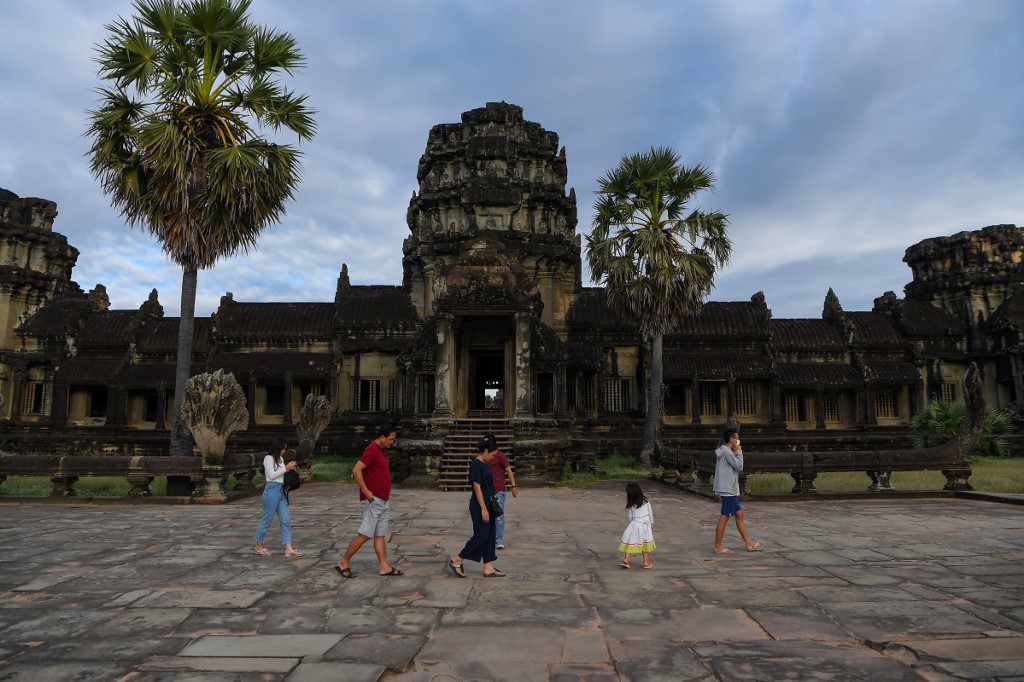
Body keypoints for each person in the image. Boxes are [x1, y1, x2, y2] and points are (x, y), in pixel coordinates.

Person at [335, 424, 403, 578]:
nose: (392, 442)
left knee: (380, 535)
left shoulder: (381, 450)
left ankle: (384, 566)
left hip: (382, 500)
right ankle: (344, 561)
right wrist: (366, 491)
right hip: (373, 500)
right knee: (365, 534)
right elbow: (356, 469)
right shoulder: (372, 449)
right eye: (390, 439)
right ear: (382, 437)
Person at [449, 438, 506, 578]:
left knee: (490, 534)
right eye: (492, 454)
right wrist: (483, 509)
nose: (493, 458)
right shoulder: (476, 464)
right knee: (481, 535)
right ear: (486, 451)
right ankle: (457, 560)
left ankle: (488, 566)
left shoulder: (484, 464)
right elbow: (477, 487)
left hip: (488, 503)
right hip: (480, 505)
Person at [713, 429, 764, 554]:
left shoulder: (726, 451)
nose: (738, 440)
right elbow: (740, 466)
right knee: (724, 517)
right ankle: (717, 546)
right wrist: (739, 451)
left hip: (729, 489)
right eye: (737, 438)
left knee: (739, 514)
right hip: (728, 490)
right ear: (732, 439)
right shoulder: (727, 452)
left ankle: (749, 543)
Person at [254, 437, 303, 557]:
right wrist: (285, 468)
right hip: (271, 490)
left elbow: (281, 475)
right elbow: (272, 475)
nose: (284, 451)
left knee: (286, 520)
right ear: (278, 447)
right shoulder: (268, 458)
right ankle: (259, 546)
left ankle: (288, 548)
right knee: (267, 520)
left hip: (281, 491)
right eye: (283, 449)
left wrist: (289, 468)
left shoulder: (280, 459)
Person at [484, 433, 517, 549]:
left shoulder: (500, 456)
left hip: (498, 489)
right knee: (486, 515)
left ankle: (499, 539)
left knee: (499, 515)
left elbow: (509, 470)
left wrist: (513, 485)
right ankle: (488, 538)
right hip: (486, 489)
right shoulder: (483, 457)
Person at [618, 482, 655, 569]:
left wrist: (631, 525)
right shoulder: (646, 502)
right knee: (645, 543)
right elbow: (650, 514)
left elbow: (630, 517)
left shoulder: (631, 504)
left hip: (635, 524)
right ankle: (646, 563)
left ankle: (626, 560)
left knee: (631, 541)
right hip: (645, 525)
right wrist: (652, 524)